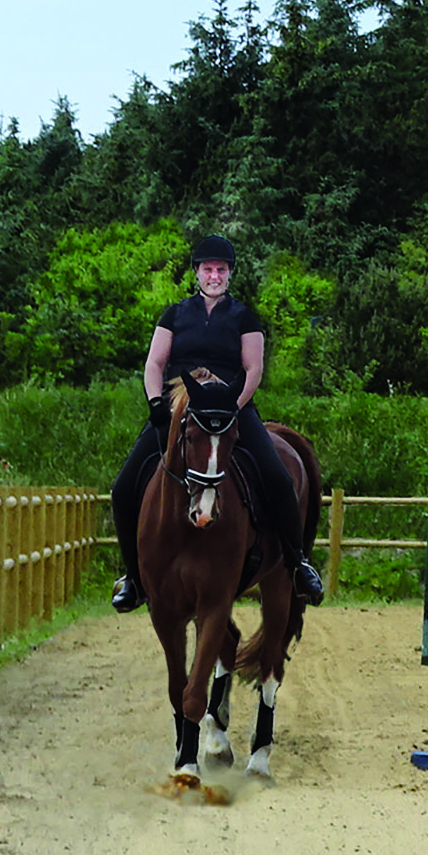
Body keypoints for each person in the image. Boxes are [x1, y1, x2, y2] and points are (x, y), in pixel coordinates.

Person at [110, 235, 325, 612]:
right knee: (123, 486)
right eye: (208, 269)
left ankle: (298, 563)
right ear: (196, 273)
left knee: (277, 477)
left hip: (233, 409)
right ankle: (133, 576)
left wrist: (233, 407)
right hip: (180, 412)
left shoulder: (244, 317)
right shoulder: (174, 314)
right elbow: (155, 364)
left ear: (229, 275)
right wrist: (156, 402)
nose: (214, 275)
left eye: (221, 270)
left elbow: (253, 368)